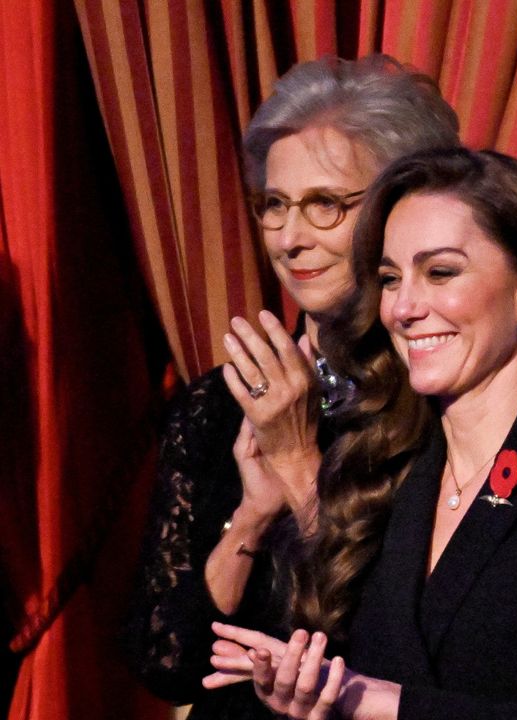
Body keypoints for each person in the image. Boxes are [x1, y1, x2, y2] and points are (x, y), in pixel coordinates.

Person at [203, 148, 517, 719]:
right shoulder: (383, 465)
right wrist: (310, 701)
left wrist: (386, 705)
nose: (403, 307)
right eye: (389, 279)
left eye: (441, 272)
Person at [124, 55, 459, 719]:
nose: (289, 237)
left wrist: (301, 466)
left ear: (402, 207)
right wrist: (252, 513)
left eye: (325, 206)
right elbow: (165, 661)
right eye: (274, 205)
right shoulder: (221, 404)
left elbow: (403, 656)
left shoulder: (443, 400)